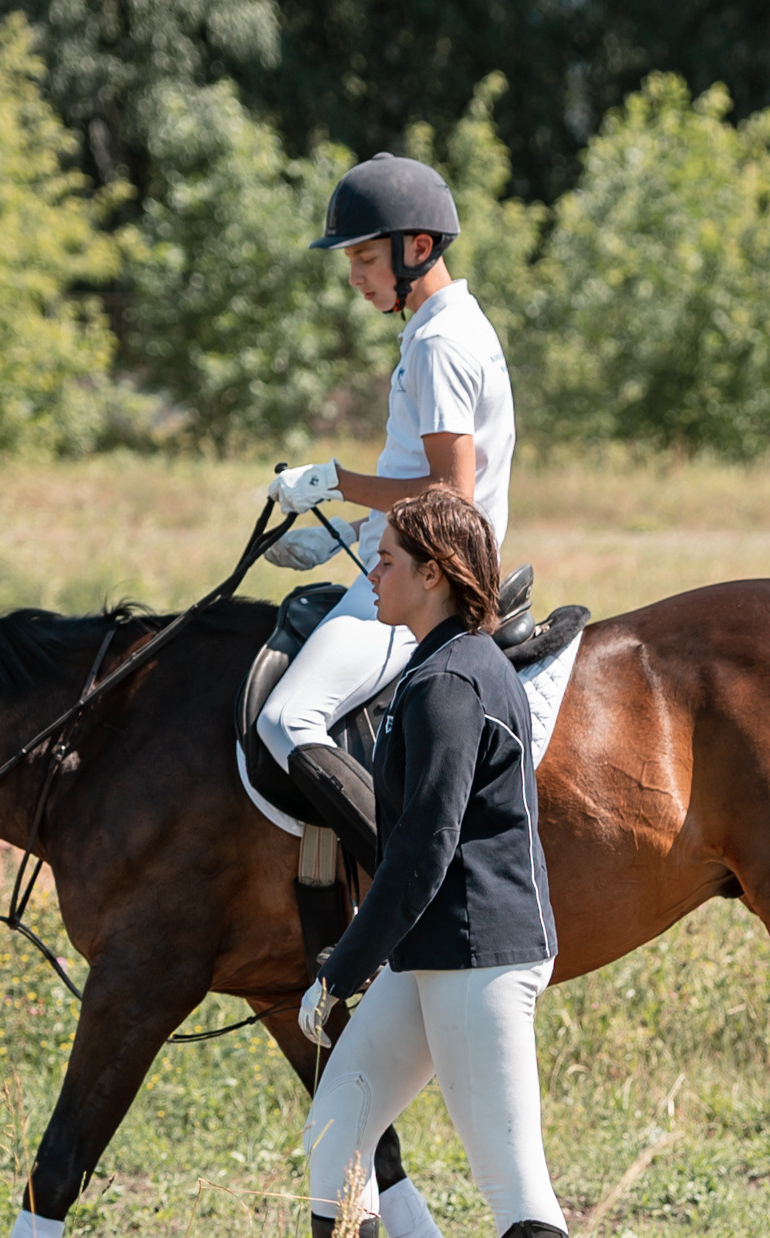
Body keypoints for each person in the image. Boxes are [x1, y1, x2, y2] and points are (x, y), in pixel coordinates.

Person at [294, 488, 571, 1238]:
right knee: (338, 1126)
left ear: (433, 574)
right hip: (435, 951)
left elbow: (423, 847)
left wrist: (342, 966)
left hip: (479, 953)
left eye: (384, 558)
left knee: (510, 1173)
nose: (370, 571)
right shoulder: (440, 663)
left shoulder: (450, 680)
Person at [258, 151, 517, 874]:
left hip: (424, 588)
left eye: (366, 258)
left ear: (419, 246)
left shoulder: (438, 342)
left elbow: (449, 497)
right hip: (405, 561)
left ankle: (407, 885)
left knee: (288, 719)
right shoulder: (445, 326)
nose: (356, 278)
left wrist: (336, 481)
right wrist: (349, 534)